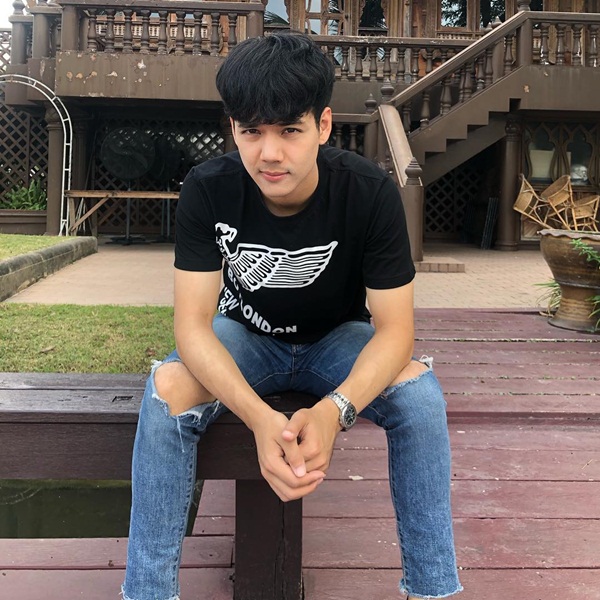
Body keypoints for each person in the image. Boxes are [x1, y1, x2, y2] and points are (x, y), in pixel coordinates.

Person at [122, 32, 462, 600]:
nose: (269, 153)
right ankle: (148, 592)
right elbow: (193, 326)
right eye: (251, 131)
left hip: (337, 340)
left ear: (323, 126)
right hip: (244, 335)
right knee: (168, 388)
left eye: (289, 131)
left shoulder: (369, 192)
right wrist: (259, 418)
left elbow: (396, 331)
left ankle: (432, 589)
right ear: (233, 129)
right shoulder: (209, 189)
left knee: (420, 398)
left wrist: (334, 411)